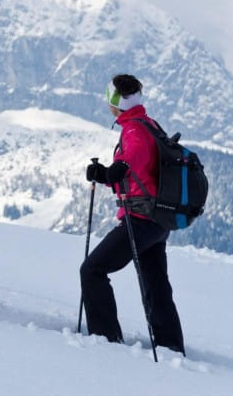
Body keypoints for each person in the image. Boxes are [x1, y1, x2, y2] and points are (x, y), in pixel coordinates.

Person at [81, 74, 185, 354]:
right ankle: (170, 345)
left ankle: (106, 340)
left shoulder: (135, 131)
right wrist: (109, 174)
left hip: (141, 219)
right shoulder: (148, 123)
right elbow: (135, 171)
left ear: (115, 103)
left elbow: (130, 164)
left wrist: (105, 172)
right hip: (157, 219)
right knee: (155, 282)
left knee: (92, 270)